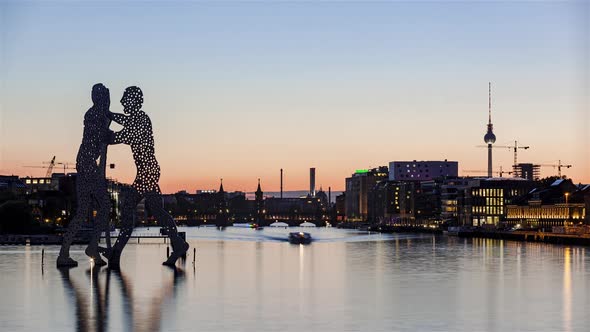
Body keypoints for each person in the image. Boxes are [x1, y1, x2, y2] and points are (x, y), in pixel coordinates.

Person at [104, 86, 189, 267]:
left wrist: (108, 134)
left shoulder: (141, 120)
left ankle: (116, 253)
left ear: (133, 101)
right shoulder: (136, 119)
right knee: (158, 212)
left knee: (129, 211)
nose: (121, 102)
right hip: (147, 172)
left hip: (147, 173)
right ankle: (178, 245)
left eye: (125, 99)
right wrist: (110, 115)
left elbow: (124, 134)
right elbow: (125, 121)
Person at [57, 83, 112, 267]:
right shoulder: (95, 116)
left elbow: (103, 136)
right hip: (88, 165)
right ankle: (92, 248)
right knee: (103, 206)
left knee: (83, 211)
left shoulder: (96, 114)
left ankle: (65, 252)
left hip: (85, 164)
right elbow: (103, 138)